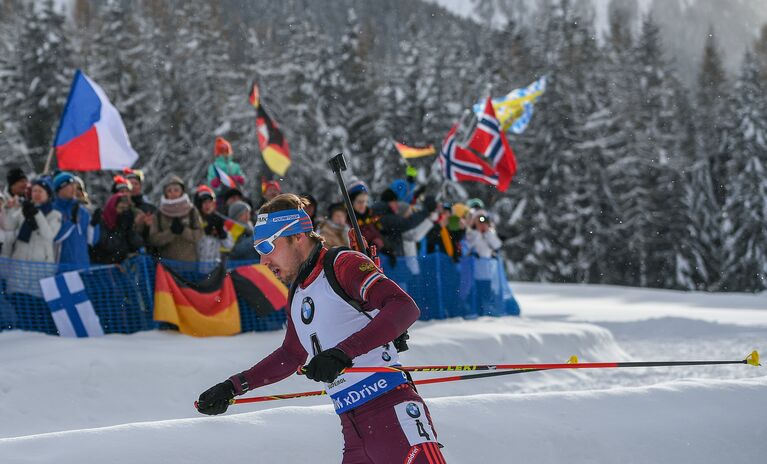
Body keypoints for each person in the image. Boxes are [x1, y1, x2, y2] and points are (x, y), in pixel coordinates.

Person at [196, 193, 445, 463]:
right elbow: (291, 355)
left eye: (267, 247)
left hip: (391, 413)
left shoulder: (342, 264)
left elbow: (403, 306)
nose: (263, 262)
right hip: (353, 429)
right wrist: (233, 386)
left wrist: (342, 353)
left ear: (298, 236)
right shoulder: (298, 292)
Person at [4, 177, 61, 264]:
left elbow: (49, 235)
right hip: (20, 260)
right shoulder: (25, 209)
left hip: (41, 263)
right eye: (34, 191)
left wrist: (36, 213)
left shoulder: (55, 215)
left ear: (48, 194)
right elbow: (8, 225)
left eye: (40, 191)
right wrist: (10, 208)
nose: (37, 194)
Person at [148, 175, 203, 262]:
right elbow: (154, 239)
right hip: (167, 265)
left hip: (190, 264)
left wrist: (183, 231)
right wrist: (170, 232)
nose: (173, 193)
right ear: (165, 193)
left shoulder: (191, 210)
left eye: (176, 190)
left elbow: (199, 234)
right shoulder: (159, 213)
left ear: (182, 192)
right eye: (169, 191)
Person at [90, 193, 144, 264]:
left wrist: (129, 229)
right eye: (121, 208)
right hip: (102, 264)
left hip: (118, 264)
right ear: (112, 207)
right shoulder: (102, 220)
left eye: (126, 209)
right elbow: (106, 244)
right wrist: (120, 230)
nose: (123, 211)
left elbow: (136, 242)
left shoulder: (124, 221)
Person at [52, 172, 92, 268]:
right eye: (70, 185)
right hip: (61, 267)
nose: (74, 189)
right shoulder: (53, 209)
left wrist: (95, 224)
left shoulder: (82, 210)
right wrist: (71, 222)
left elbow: (91, 240)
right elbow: (55, 238)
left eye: (75, 185)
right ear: (60, 188)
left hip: (83, 266)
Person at [193, 185, 232, 264]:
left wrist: (222, 233)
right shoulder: (193, 220)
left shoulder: (217, 219)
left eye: (209, 202)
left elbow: (229, 245)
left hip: (214, 267)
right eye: (204, 202)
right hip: (196, 266)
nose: (207, 205)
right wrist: (203, 231)